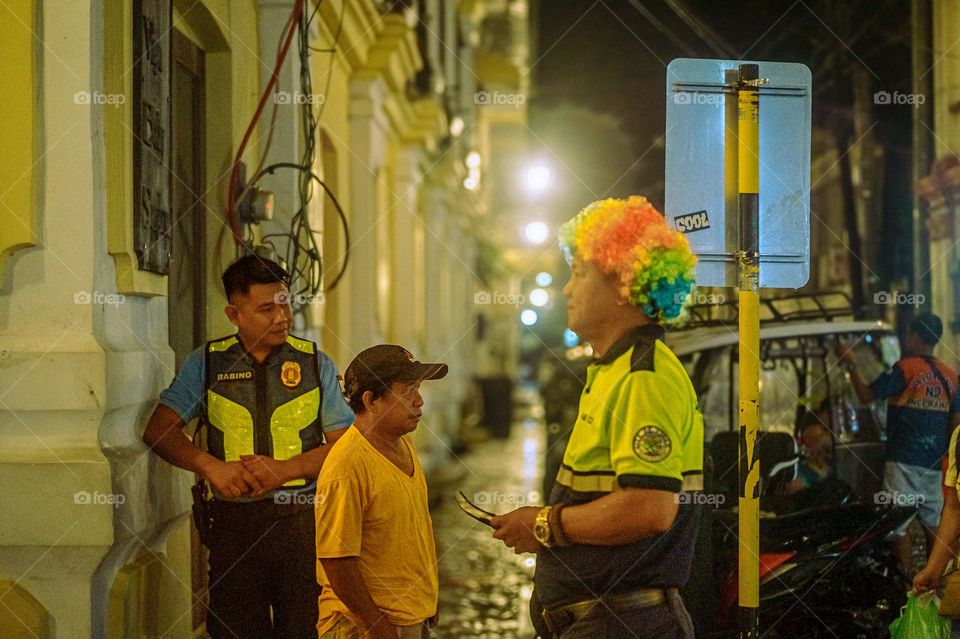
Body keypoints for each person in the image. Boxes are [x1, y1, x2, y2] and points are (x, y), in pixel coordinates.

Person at [491, 196, 704, 639]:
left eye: (580, 272)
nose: (567, 289)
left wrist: (544, 524)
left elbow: (650, 509)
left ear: (622, 281)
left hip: (624, 624)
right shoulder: (613, 370)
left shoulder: (643, 376)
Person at [142, 255, 354, 639]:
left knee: (306, 630)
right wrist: (212, 467)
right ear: (234, 314)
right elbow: (159, 430)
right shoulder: (206, 364)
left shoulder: (314, 365)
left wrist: (286, 470)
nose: (281, 317)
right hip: (232, 528)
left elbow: (348, 450)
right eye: (266, 309)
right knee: (235, 631)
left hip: (301, 526)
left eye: (285, 302)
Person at [314, 345, 446, 639]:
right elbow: (337, 560)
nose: (419, 399)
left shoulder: (403, 445)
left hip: (408, 617)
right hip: (362, 627)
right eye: (407, 390)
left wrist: (426, 598)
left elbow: (413, 530)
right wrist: (375, 625)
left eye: (419, 388)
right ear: (371, 399)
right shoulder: (347, 466)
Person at [837, 313, 959, 569]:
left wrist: (850, 364)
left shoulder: (905, 369)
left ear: (915, 335)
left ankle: (906, 588)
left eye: (908, 335)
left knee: (897, 526)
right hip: (935, 464)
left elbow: (865, 395)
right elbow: (956, 425)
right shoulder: (951, 377)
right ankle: (935, 587)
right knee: (934, 523)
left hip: (903, 461)